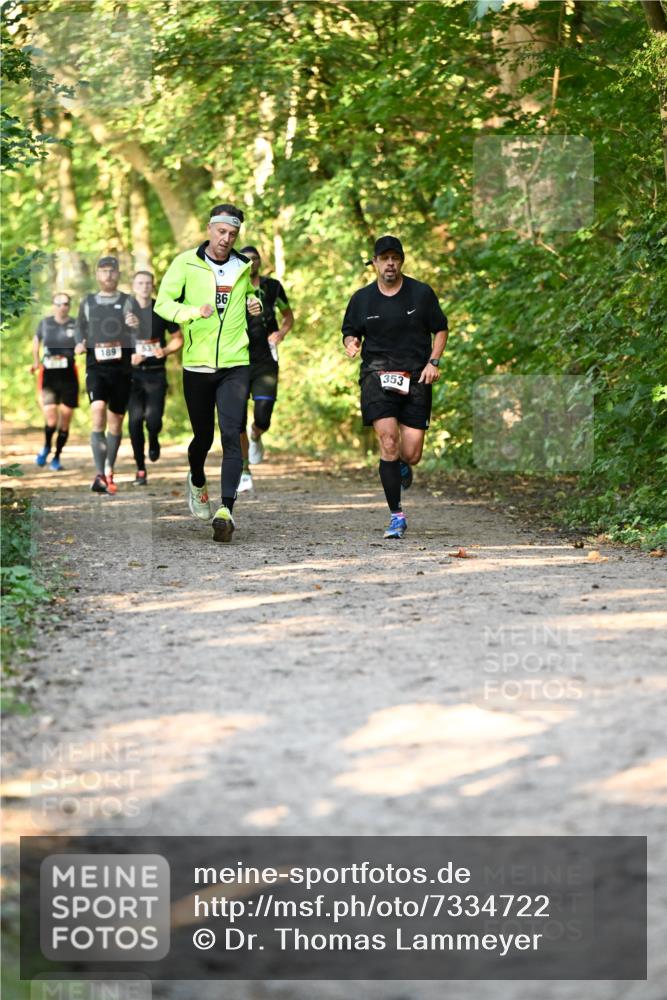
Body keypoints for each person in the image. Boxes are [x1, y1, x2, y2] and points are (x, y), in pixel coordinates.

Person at [154, 203, 262, 542]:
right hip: (196, 364)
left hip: (235, 363)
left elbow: (248, 299)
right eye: (221, 232)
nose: (226, 239)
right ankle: (197, 480)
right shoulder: (185, 262)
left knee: (232, 432)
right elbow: (162, 304)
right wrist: (190, 312)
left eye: (232, 234)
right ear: (209, 228)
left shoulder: (242, 266)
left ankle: (226, 510)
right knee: (203, 437)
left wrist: (254, 304)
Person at [342, 235, 448, 539]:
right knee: (388, 441)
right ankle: (396, 515)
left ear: (401, 261)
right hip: (377, 376)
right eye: (384, 258)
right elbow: (350, 332)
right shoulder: (361, 299)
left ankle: (402, 464)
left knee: (411, 453)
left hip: (416, 376)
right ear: (374, 262)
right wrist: (351, 343)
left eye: (395, 258)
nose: (390, 263)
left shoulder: (421, 294)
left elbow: (440, 329)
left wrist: (434, 362)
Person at [74, 256, 138, 494]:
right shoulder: (88, 301)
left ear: (118, 274)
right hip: (96, 367)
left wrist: (134, 324)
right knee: (97, 411)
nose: (108, 275)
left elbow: (137, 330)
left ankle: (109, 469)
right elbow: (79, 326)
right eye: (103, 271)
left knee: (115, 422)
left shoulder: (127, 300)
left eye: (112, 271)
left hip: (121, 369)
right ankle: (100, 473)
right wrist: (79, 342)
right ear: (97, 274)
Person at [236, 246, 294, 492]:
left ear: (260, 261)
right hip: (237, 359)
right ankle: (244, 470)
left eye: (255, 258)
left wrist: (280, 333)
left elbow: (288, 316)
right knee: (236, 418)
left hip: (265, 360)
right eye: (246, 259)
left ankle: (257, 434)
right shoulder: (231, 287)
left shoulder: (272, 287)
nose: (251, 262)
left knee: (263, 414)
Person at [127, 271, 183, 486]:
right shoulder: (124, 311)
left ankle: (153, 437)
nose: (144, 286)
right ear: (133, 286)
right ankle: (140, 469)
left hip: (156, 372)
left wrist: (166, 350)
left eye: (148, 283)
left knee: (153, 419)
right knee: (133, 423)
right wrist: (128, 357)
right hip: (132, 376)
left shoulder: (161, 309)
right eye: (140, 283)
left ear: (152, 286)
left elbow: (178, 338)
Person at [31, 292, 79, 470]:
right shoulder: (45, 323)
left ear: (69, 306)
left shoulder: (76, 324)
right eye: (58, 303)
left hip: (68, 376)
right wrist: (36, 362)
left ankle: (57, 457)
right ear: (53, 305)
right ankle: (46, 447)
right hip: (49, 376)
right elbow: (36, 342)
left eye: (66, 303)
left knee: (65, 421)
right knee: (51, 419)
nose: (62, 307)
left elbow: (83, 343)